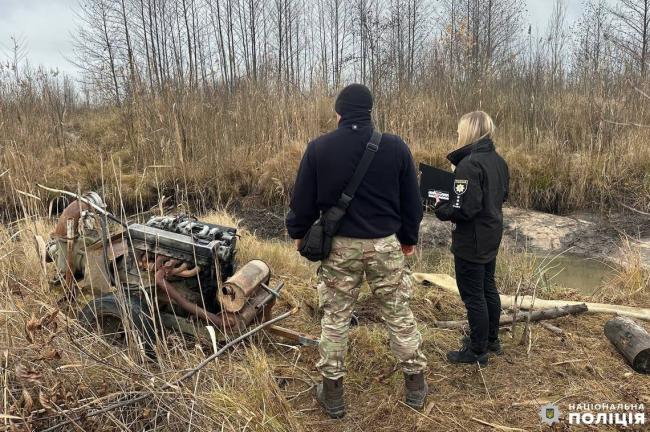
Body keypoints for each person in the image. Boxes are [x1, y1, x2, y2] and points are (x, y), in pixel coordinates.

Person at [286, 84, 428, 418]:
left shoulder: (319, 147)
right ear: (369, 112)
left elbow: (302, 200)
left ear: (339, 112)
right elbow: (413, 202)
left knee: (335, 319)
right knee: (399, 314)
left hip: (340, 249)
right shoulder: (395, 147)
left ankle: (333, 395)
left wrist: (297, 233)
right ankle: (416, 386)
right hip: (385, 244)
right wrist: (409, 238)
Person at [434, 111, 509, 366]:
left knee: (473, 294)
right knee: (488, 287)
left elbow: (465, 209)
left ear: (469, 132)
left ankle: (477, 351)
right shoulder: (498, 161)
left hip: (472, 239)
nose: (457, 136)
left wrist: (439, 208)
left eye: (459, 131)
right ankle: (491, 340)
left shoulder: (468, 165)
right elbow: (501, 196)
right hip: (491, 234)